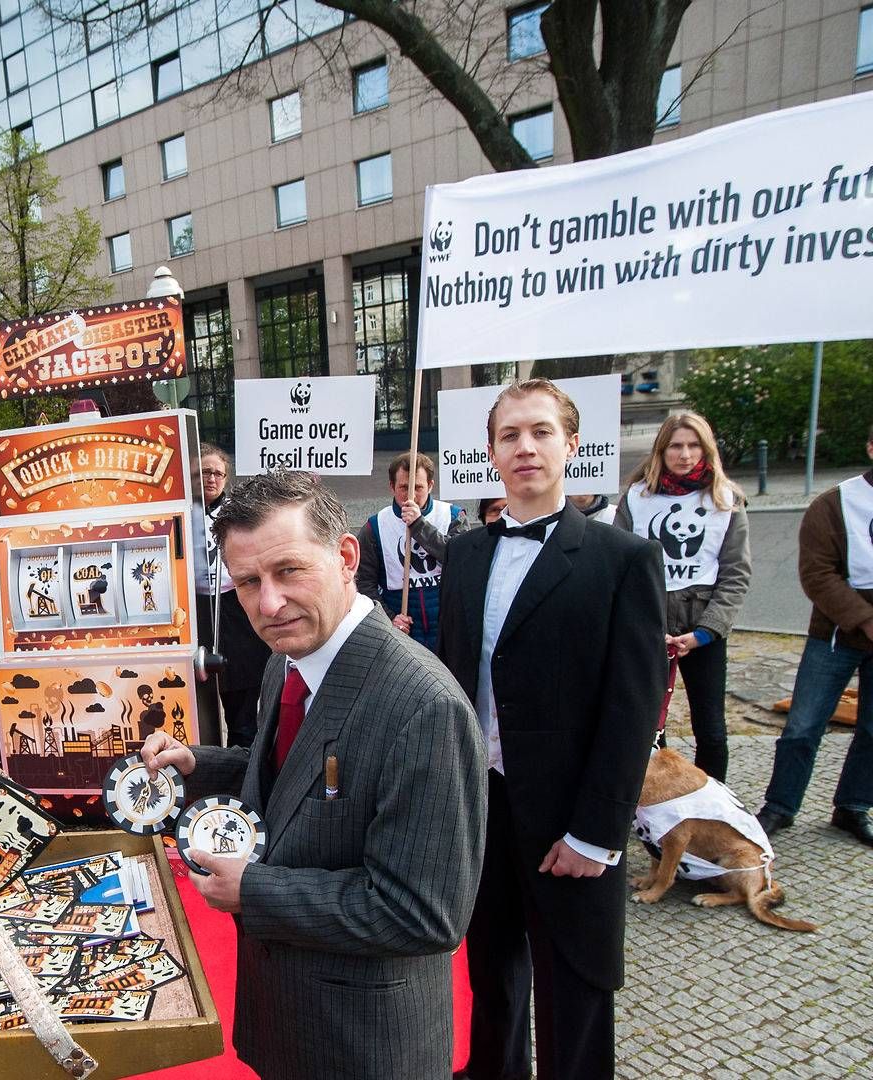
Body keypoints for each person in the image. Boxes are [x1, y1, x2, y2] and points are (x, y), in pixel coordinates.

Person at [142, 469, 486, 1080]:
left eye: (288, 571)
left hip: (367, 1046)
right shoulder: (291, 657)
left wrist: (253, 891)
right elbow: (294, 776)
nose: (268, 603)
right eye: (247, 582)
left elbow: (425, 912)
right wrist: (198, 765)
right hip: (291, 1022)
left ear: (346, 555)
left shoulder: (424, 705)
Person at [436, 379, 666, 1080]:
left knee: (576, 982)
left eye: (540, 432)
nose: (525, 447)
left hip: (571, 818)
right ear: (491, 454)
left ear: (572, 444)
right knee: (493, 967)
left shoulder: (621, 558)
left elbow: (634, 707)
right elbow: (453, 684)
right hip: (484, 805)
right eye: (510, 435)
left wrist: (598, 833)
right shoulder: (465, 554)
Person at [614, 412, 751, 781]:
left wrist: (707, 630)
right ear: (662, 449)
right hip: (650, 626)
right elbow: (619, 566)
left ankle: (713, 806)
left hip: (701, 628)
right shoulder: (637, 498)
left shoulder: (725, 500)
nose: (685, 454)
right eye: (676, 445)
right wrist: (642, 626)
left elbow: (735, 573)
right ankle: (649, 801)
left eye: (694, 445)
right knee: (646, 723)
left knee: (711, 727)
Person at [757, 424, 873, 847]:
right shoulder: (835, 504)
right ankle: (780, 806)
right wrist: (863, 618)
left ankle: (853, 805)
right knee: (804, 725)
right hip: (836, 636)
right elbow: (817, 574)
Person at [196, 445, 271, 748]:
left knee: (242, 712)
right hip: (197, 610)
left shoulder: (238, 513)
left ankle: (243, 771)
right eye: (204, 472)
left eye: (218, 473)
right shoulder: (181, 512)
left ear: (226, 478)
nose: (211, 478)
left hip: (235, 612)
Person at [357, 451, 471, 649]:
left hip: (449, 632)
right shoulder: (375, 527)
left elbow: (460, 560)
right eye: (404, 487)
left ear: (431, 486)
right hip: (403, 634)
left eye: (418, 487)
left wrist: (419, 525)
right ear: (392, 487)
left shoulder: (453, 516)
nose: (410, 495)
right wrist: (387, 619)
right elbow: (363, 584)